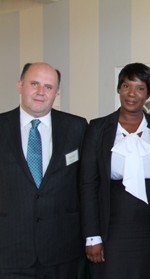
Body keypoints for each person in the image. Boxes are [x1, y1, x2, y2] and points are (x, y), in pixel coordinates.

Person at [79, 63, 150, 278]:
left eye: (140, 88)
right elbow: (88, 185)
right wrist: (92, 236)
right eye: (126, 86)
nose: (132, 94)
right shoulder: (98, 128)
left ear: (148, 93)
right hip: (111, 231)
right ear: (119, 88)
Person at [0, 62, 87, 278]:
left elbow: (86, 185)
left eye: (48, 87)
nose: (41, 92)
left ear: (57, 92)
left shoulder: (77, 127)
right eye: (34, 84)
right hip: (9, 250)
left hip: (62, 252)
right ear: (20, 86)